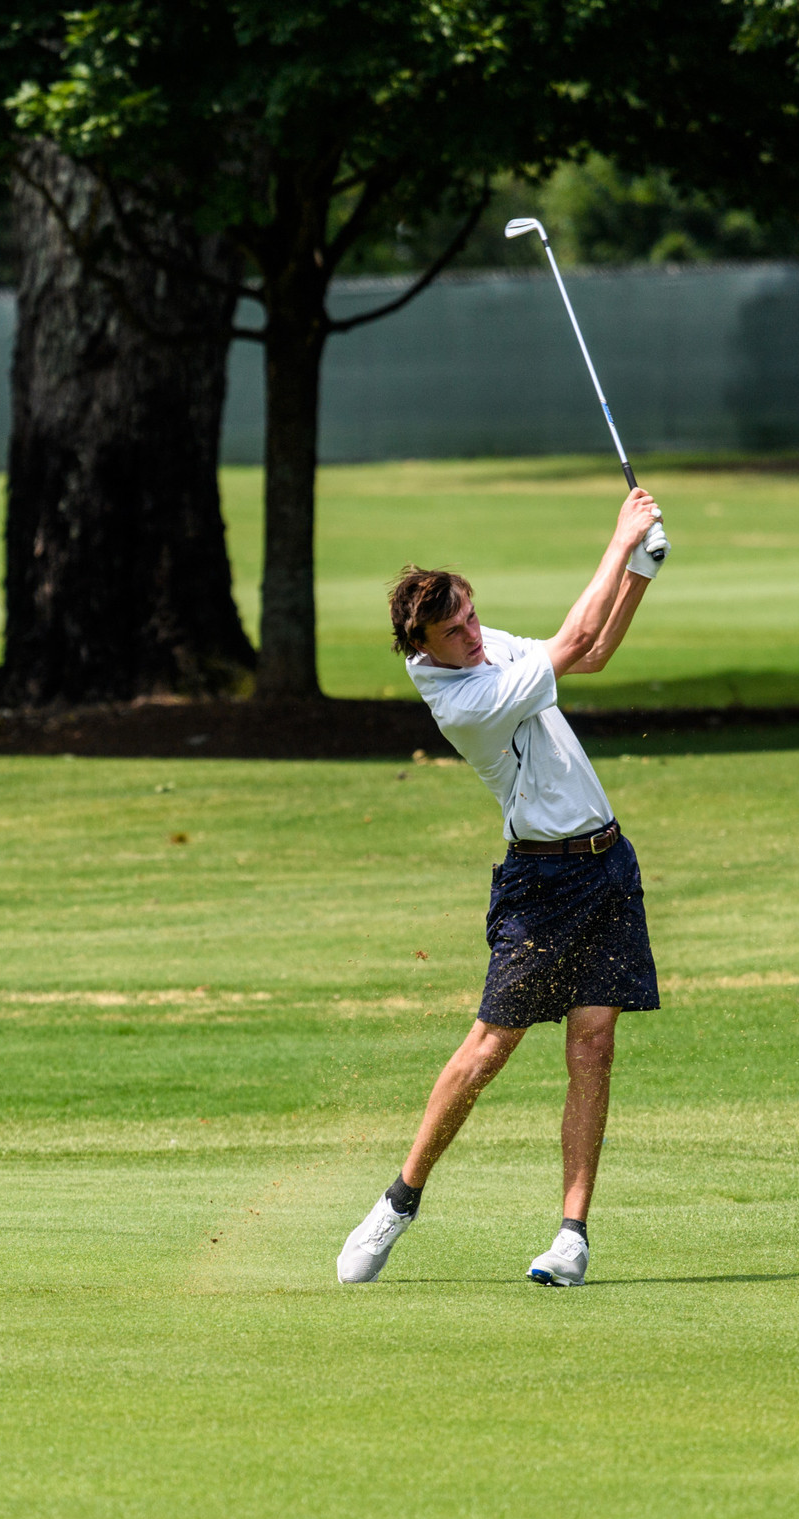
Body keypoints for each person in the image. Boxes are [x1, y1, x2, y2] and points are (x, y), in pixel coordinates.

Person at [337, 488, 664, 1289]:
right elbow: (579, 634)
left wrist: (641, 573)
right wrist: (619, 537)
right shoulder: (464, 699)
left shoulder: (484, 654)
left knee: (593, 1043)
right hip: (541, 881)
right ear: (421, 646)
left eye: (475, 616)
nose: (475, 635)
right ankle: (399, 1200)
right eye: (456, 630)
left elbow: (585, 652)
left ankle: (572, 1236)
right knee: (492, 1046)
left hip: (608, 863)